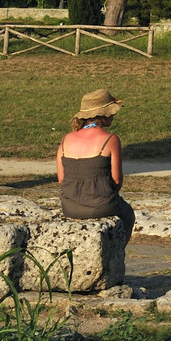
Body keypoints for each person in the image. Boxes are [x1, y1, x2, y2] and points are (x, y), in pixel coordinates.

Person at [56, 88, 134, 241]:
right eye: (111, 112)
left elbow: (61, 179)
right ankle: (117, 252)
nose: (114, 115)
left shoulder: (66, 139)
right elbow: (117, 180)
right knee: (128, 215)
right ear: (103, 115)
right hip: (103, 205)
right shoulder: (110, 139)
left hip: (70, 207)